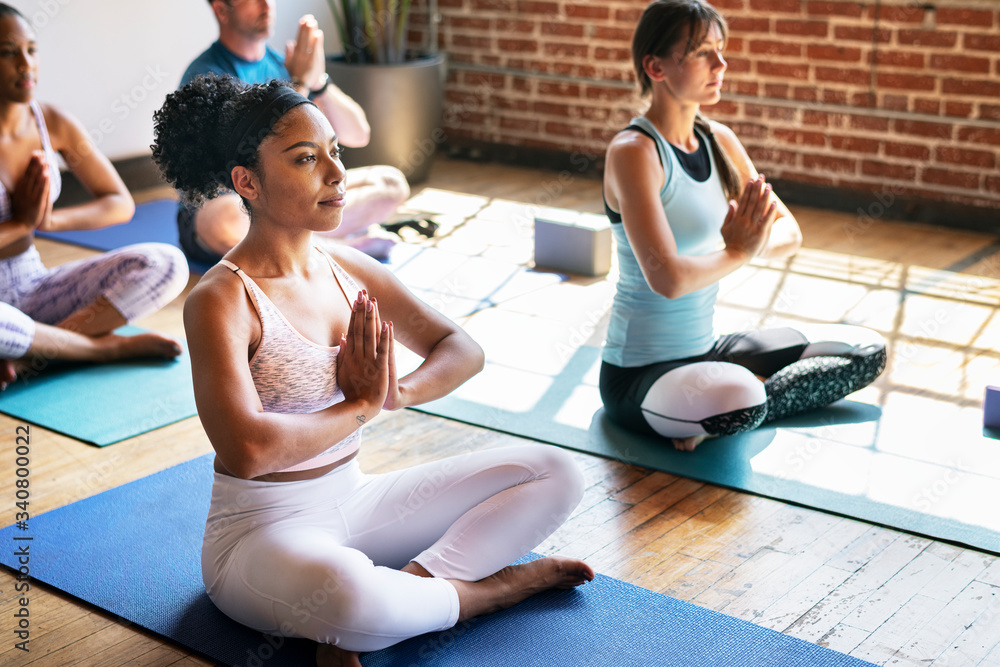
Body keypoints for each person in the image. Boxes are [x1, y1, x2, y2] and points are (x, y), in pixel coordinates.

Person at [151, 73, 594, 666]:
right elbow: (247, 451)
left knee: (555, 471)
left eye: (335, 152)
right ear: (246, 182)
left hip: (355, 501)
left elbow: (461, 347)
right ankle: (480, 594)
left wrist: (395, 393)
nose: (336, 174)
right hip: (260, 535)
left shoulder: (349, 267)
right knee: (356, 600)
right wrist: (356, 406)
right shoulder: (222, 299)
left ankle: (414, 585)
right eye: (307, 159)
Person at [599, 0, 886, 451]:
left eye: (721, 49)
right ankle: (727, 407)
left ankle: (718, 414)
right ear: (655, 66)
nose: (721, 63)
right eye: (701, 52)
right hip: (640, 374)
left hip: (710, 349)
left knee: (864, 352)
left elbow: (789, 232)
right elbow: (668, 279)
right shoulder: (634, 152)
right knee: (741, 396)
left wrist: (747, 243)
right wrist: (738, 250)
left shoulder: (719, 140)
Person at [0, 4, 187, 390]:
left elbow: (118, 201)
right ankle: (102, 350)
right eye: (7, 52)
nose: (26, 64)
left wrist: (48, 222)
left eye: (31, 50)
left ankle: (34, 352)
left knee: (167, 263)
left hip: (32, 286)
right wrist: (21, 223)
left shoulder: (50, 121)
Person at [176, 0, 410, 264]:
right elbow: (248, 154)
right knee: (225, 220)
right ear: (221, 10)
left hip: (294, 191)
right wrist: (299, 84)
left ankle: (313, 247)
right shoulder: (206, 77)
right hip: (236, 200)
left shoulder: (285, 63)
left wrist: (317, 81)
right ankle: (344, 249)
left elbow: (358, 135)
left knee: (391, 183)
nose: (266, 5)